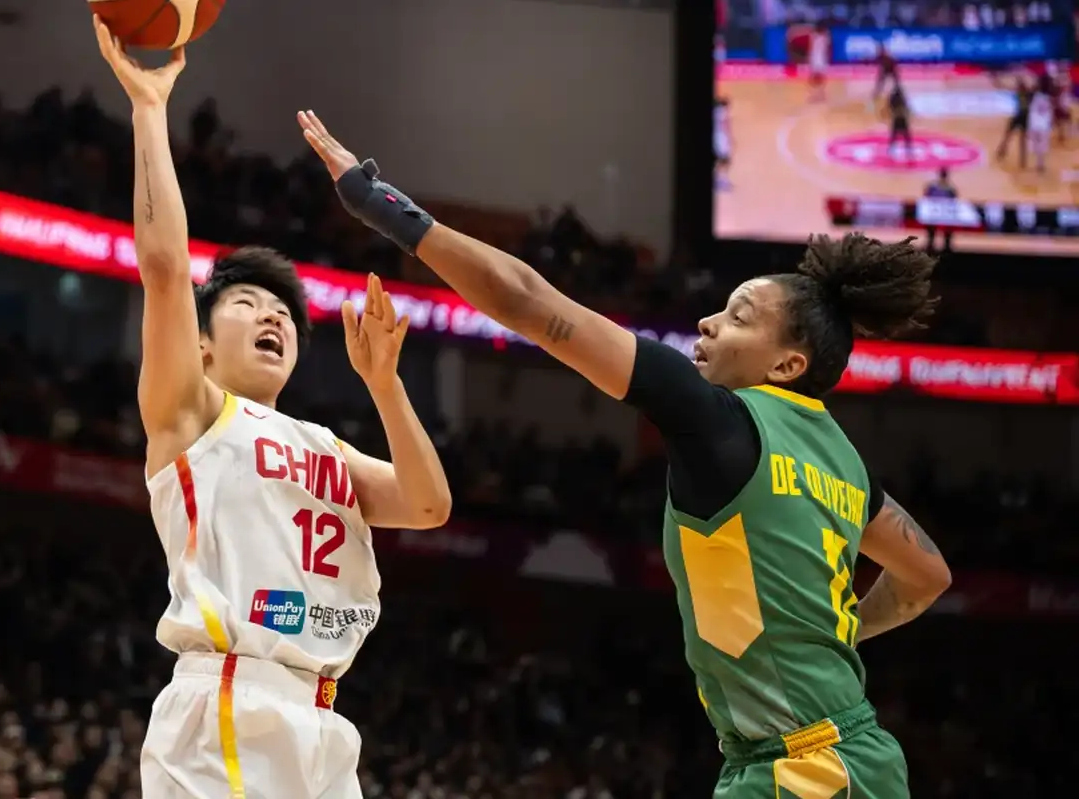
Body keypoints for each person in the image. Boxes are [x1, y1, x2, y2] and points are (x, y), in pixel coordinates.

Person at [299, 111, 953, 799]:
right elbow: (927, 574)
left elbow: (529, 303)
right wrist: (850, 631)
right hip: (861, 758)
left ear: (789, 365)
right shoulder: (846, 466)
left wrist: (384, 208)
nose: (708, 322)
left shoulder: (719, 421)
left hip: (800, 772)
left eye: (738, 317)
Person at [92, 17, 451, 799]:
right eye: (249, 304)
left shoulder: (323, 442)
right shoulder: (191, 412)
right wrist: (150, 112)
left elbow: (427, 506)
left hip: (322, 716)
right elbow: (162, 268)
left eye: (285, 312)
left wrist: (387, 388)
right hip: (229, 697)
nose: (274, 317)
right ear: (204, 345)